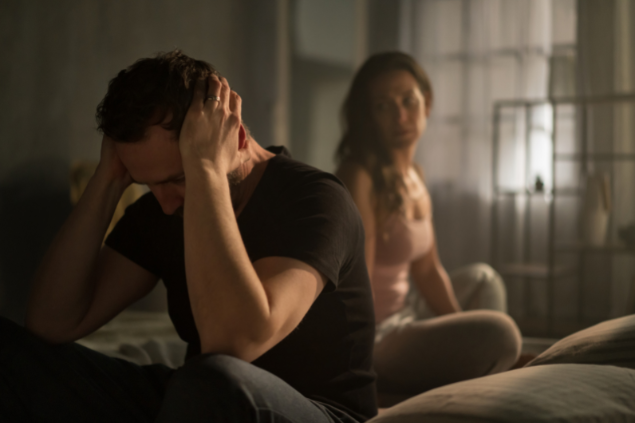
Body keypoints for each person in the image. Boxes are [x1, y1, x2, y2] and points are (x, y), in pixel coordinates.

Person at [0, 50, 377, 422]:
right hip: (198, 398)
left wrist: (204, 170)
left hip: (314, 411)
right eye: (149, 184)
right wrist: (109, 179)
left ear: (235, 136)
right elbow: (51, 323)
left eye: (179, 178)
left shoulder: (316, 200)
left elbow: (233, 344)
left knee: (214, 380)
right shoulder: (164, 208)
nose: (165, 204)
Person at [334, 51, 522, 403]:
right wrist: (356, 372)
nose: (400, 116)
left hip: (408, 313)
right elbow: (355, 284)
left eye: (408, 100)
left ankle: (484, 365)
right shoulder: (359, 176)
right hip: (378, 336)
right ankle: (487, 368)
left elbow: (427, 270)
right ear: (368, 116)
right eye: (383, 106)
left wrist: (460, 328)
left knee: (484, 280)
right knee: (502, 334)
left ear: (427, 103)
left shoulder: (414, 175)